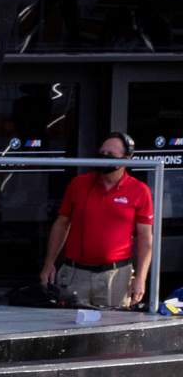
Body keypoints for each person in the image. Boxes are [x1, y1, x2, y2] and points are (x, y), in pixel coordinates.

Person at [40, 132, 154, 310]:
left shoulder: (139, 191)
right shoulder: (79, 184)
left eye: (110, 155)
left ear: (126, 158)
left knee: (113, 331)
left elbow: (145, 238)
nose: (104, 157)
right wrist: (49, 263)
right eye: (102, 152)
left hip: (115, 276)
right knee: (67, 328)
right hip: (75, 273)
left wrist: (140, 278)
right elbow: (62, 224)